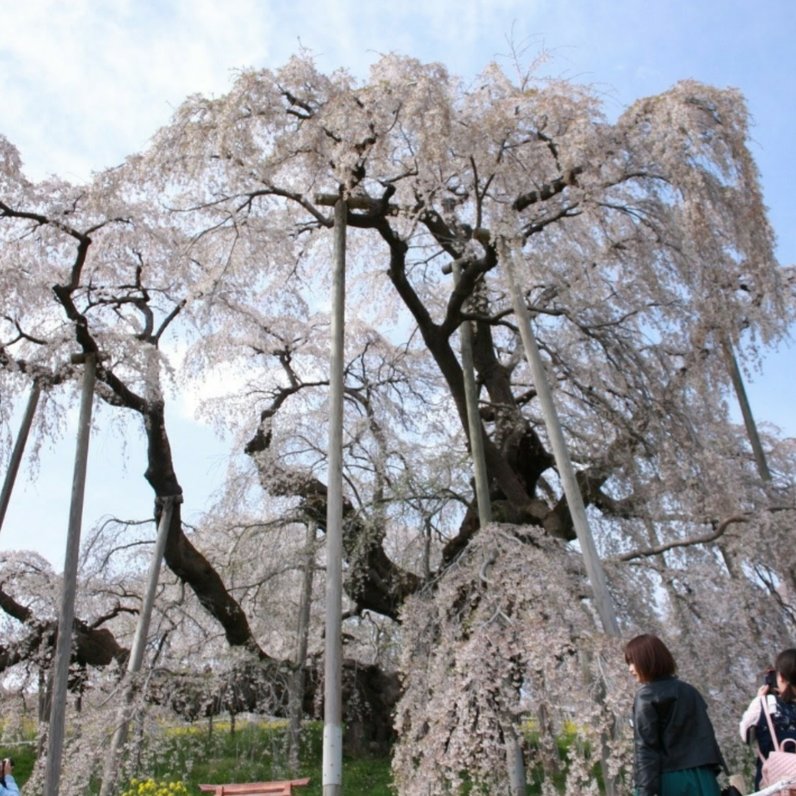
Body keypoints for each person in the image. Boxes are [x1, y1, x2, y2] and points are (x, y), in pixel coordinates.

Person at [625, 633, 725, 796]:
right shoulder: (690, 691)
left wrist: (644, 791)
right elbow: (707, 737)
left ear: (647, 660)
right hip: (704, 777)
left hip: (671, 781)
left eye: (633, 662)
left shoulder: (646, 696)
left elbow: (646, 748)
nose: (630, 669)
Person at [739, 648, 796, 790]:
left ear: (781, 677)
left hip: (779, 783)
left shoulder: (765, 703)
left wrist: (759, 699)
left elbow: (746, 736)